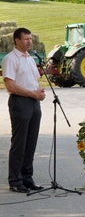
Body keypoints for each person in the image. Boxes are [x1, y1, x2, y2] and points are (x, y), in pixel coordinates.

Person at [1, 27, 46, 193]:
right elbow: (10, 84)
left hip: (34, 102)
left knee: (30, 143)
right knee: (19, 143)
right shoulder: (11, 59)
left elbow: (33, 80)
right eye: (26, 39)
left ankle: (27, 178)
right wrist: (32, 94)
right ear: (17, 41)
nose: (29, 42)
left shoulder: (30, 58)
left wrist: (39, 91)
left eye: (30, 39)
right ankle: (15, 181)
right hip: (20, 102)